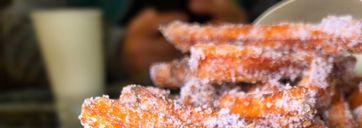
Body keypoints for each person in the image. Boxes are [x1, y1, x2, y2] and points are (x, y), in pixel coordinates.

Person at [0, 0, 247, 90]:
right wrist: (116, 50)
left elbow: (281, 13)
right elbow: (14, 39)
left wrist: (250, 31)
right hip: (87, 119)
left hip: (232, 92)